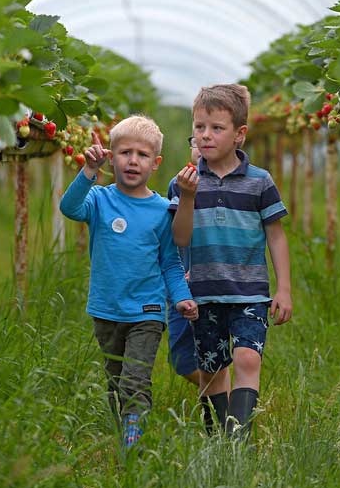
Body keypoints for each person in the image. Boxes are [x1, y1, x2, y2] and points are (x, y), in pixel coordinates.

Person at [59, 115, 198, 449]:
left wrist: (181, 297)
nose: (133, 160)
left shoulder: (163, 210)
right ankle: (120, 424)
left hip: (147, 311)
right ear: (111, 155)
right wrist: (88, 173)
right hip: (106, 309)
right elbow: (69, 207)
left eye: (142, 155)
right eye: (124, 153)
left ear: (155, 163)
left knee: (135, 378)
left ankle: (133, 437)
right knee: (115, 377)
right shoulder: (100, 199)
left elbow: (170, 262)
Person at [170, 84, 293, 439]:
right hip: (203, 292)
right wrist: (189, 196)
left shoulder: (260, 182)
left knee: (247, 358)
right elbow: (180, 238)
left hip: (250, 291)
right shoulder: (184, 182)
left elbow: (276, 235)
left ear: (240, 134)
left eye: (216, 128)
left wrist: (283, 289)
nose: (206, 135)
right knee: (210, 369)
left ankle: (239, 440)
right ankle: (219, 439)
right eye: (199, 127)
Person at [165, 141, 230, 435]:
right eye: (194, 137)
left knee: (212, 350)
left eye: (213, 131)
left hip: (216, 285)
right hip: (182, 286)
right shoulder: (177, 185)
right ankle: (222, 388)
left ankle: (223, 419)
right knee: (181, 358)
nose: (202, 142)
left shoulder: (235, 185)